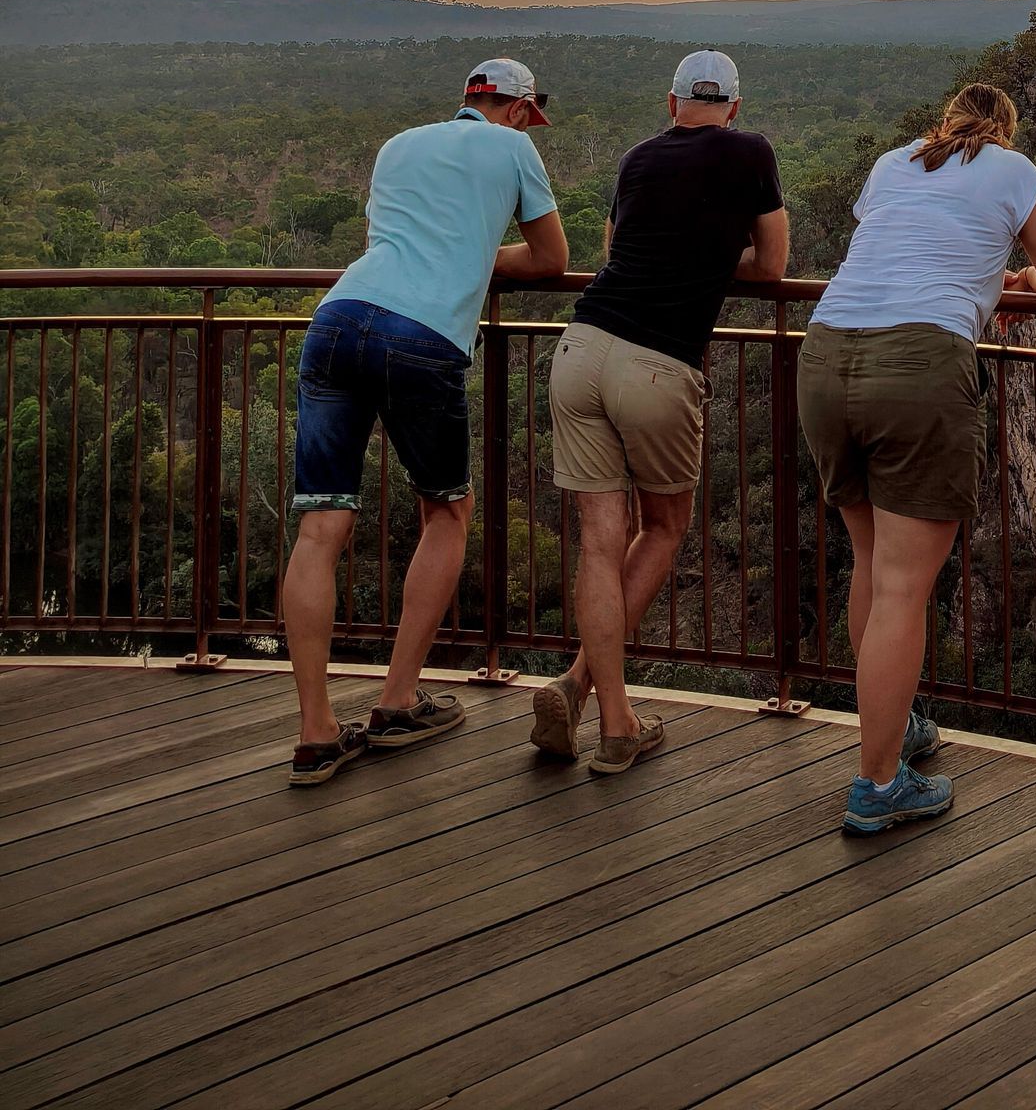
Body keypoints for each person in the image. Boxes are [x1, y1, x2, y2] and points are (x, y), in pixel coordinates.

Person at [798, 81, 1036, 834]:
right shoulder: (1013, 171)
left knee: (869, 562)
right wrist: (1012, 278)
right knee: (902, 588)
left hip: (827, 351)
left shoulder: (894, 164)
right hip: (920, 361)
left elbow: (904, 245)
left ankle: (896, 734)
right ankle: (877, 784)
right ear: (1004, 130)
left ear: (945, 123)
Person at [283, 57, 568, 786]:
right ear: (520, 110)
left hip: (338, 319)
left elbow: (396, 242)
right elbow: (550, 258)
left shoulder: (399, 143)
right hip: (421, 338)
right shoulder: (514, 148)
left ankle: (316, 733)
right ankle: (397, 699)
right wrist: (475, 260)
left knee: (320, 526)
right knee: (447, 510)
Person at [531, 49, 788, 773]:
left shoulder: (638, 157)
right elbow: (771, 265)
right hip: (658, 360)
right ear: (733, 106)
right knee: (666, 526)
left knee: (600, 542)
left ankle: (598, 703)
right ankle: (601, 708)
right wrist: (710, 260)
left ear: (670, 102)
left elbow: (614, 251)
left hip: (581, 346)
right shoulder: (752, 152)